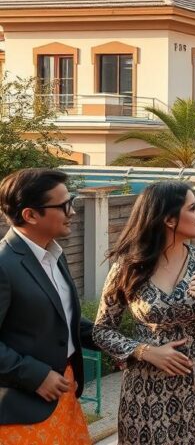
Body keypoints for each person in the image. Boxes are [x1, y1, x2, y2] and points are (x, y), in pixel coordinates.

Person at [93, 180, 195, 444]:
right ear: (170, 219)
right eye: (193, 208)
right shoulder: (129, 267)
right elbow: (102, 330)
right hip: (146, 389)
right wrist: (145, 352)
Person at [0, 169, 97, 444]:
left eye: (72, 201)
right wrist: (36, 375)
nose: (73, 212)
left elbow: (66, 323)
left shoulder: (53, 255)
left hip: (64, 397)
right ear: (30, 215)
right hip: (23, 409)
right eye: (64, 205)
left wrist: (133, 346)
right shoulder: (4, 265)